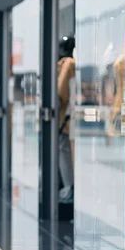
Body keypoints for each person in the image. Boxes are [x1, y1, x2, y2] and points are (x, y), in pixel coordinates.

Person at [57, 36, 76, 205]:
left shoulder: (65, 64)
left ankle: (69, 187)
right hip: (68, 117)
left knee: (65, 151)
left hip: (65, 117)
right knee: (65, 151)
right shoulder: (68, 64)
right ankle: (69, 186)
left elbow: (60, 91)